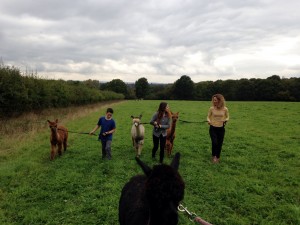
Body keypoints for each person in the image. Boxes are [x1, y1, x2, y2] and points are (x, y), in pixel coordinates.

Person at [207, 94, 229, 163]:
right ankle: (213, 156)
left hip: (221, 129)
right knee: (214, 142)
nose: (214, 101)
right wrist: (209, 120)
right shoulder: (211, 108)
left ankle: (217, 157)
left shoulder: (225, 109)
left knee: (219, 143)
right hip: (213, 128)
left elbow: (228, 117)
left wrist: (225, 120)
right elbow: (208, 116)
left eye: (215, 100)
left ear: (220, 100)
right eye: (213, 100)